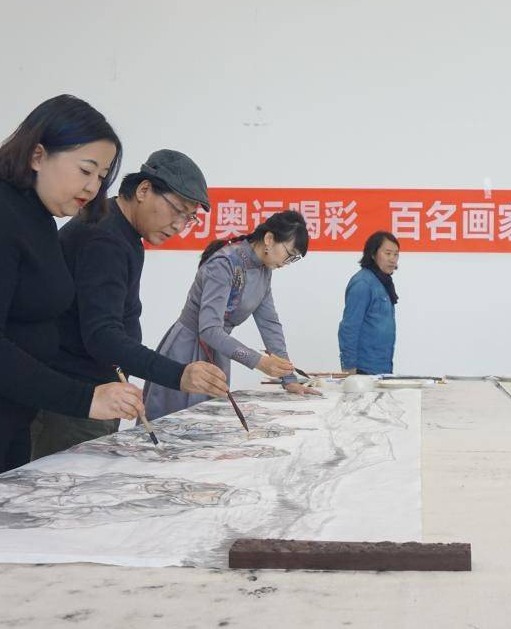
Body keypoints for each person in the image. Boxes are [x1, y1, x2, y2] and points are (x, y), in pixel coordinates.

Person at [30, 150, 230, 458]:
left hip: (92, 392)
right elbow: (102, 336)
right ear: (144, 190)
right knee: (69, 486)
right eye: (177, 210)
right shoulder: (105, 239)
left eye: (188, 218)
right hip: (75, 401)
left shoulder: (119, 230)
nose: (179, 225)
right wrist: (179, 374)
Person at [0, 95, 144, 472]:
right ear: (37, 155)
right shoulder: (6, 213)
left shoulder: (40, 217)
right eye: (86, 170)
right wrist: (86, 399)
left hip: (18, 414)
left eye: (101, 177)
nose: (93, 187)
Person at [144, 210, 316, 420]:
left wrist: (288, 378)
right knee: (179, 424)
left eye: (294, 258)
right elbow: (209, 330)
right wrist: (258, 361)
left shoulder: (263, 271)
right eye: (289, 254)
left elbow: (270, 324)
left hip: (220, 350)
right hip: (187, 350)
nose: (287, 262)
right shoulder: (224, 263)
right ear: (269, 239)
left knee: (210, 425)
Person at [338, 231, 400, 375]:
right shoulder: (363, 283)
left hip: (382, 367)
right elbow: (349, 327)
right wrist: (349, 367)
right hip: (362, 369)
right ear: (373, 254)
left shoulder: (384, 283)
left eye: (396, 254)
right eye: (388, 253)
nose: (392, 259)